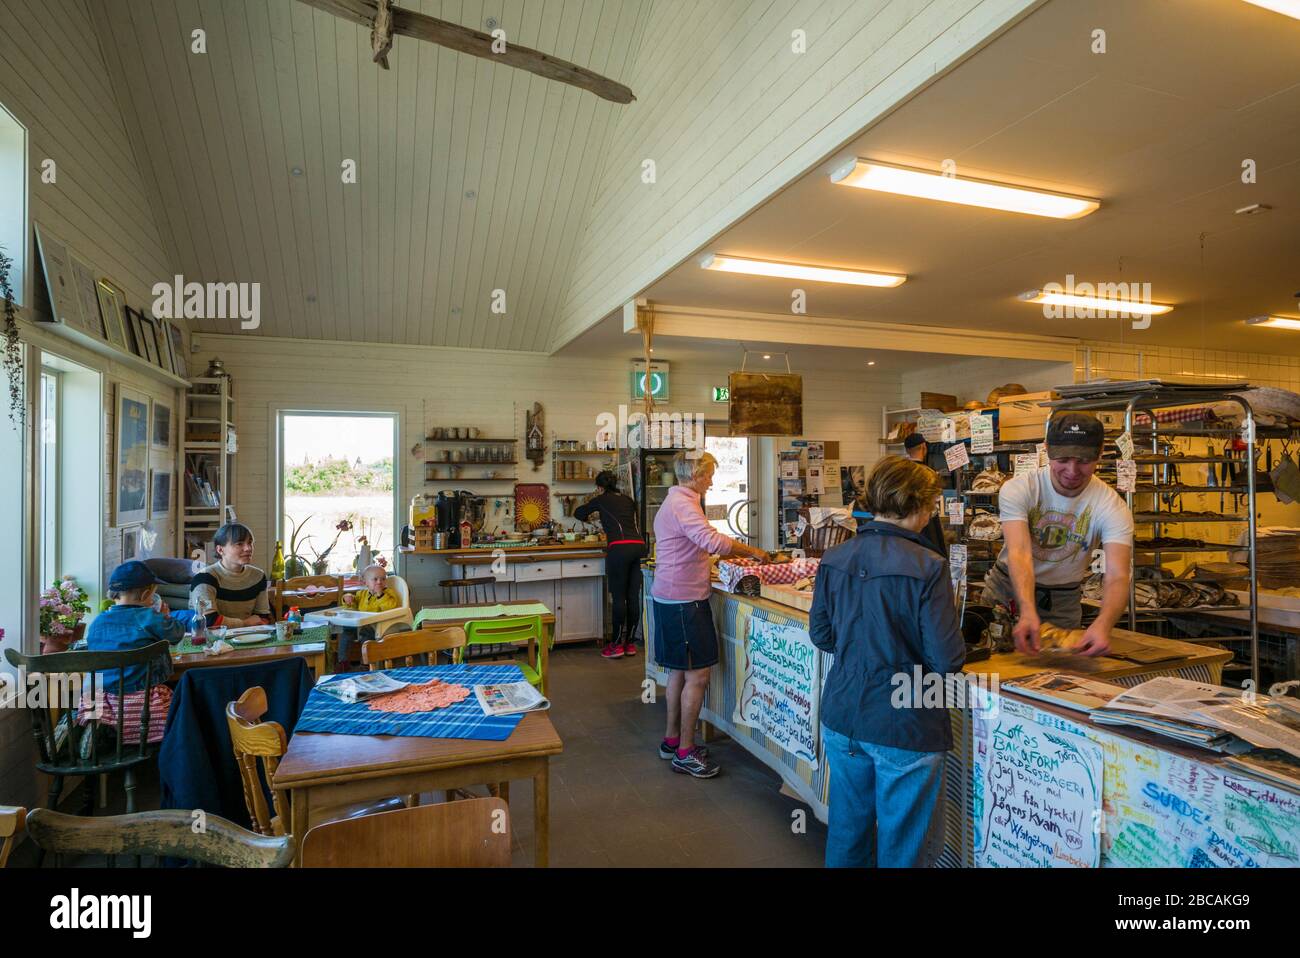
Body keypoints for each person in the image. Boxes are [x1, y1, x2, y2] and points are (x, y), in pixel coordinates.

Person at [810, 456, 965, 868]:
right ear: (918, 504)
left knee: (847, 829)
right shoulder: (929, 566)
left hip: (842, 712)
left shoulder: (835, 557)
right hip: (907, 722)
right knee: (904, 844)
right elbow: (947, 661)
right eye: (931, 504)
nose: (932, 512)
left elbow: (822, 635)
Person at [651, 451, 769, 778]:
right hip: (685, 600)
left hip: (671, 595)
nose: (712, 481)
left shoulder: (675, 501)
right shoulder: (684, 504)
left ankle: (672, 741)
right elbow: (710, 540)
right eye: (709, 475)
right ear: (694, 475)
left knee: (678, 671)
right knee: (699, 675)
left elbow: (699, 542)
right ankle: (687, 752)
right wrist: (754, 551)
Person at [980, 412, 1134, 656]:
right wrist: (1027, 608)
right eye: (1063, 459)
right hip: (1007, 591)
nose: (1072, 470)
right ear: (1047, 449)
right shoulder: (1020, 489)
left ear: (1100, 453)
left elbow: (1117, 574)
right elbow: (1020, 553)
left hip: (1063, 600)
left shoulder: (1111, 505)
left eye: (1084, 460)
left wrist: (1103, 624)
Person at [78, 561, 191, 744]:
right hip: (144, 704)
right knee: (181, 707)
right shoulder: (148, 617)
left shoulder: (98, 622)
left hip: (104, 702)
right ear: (147, 594)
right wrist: (165, 616)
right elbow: (177, 634)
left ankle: (97, 728)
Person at [573, 471, 646, 660]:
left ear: (599, 487)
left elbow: (578, 513)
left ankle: (615, 645)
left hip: (619, 549)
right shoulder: (628, 500)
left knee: (619, 598)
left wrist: (589, 518)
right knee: (633, 597)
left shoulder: (601, 499)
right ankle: (629, 643)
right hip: (638, 547)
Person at [189, 523, 273, 627]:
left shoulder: (258, 576)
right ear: (220, 550)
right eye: (239, 544)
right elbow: (208, 621)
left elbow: (263, 618)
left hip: (250, 636)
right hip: (214, 639)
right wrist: (245, 623)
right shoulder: (204, 578)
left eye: (250, 543)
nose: (248, 548)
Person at [339, 563, 401, 669]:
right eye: (375, 579)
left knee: (365, 634)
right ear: (365, 582)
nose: (379, 582)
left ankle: (365, 663)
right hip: (361, 624)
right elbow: (351, 607)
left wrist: (380, 595)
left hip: (378, 626)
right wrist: (347, 598)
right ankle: (343, 662)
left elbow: (390, 606)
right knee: (346, 631)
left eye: (383, 579)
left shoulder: (389, 594)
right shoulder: (361, 594)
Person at [904, 433, 947, 555]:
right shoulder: (928, 473)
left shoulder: (900, 472)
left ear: (907, 450)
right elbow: (934, 506)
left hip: (906, 526)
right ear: (923, 447)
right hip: (927, 526)